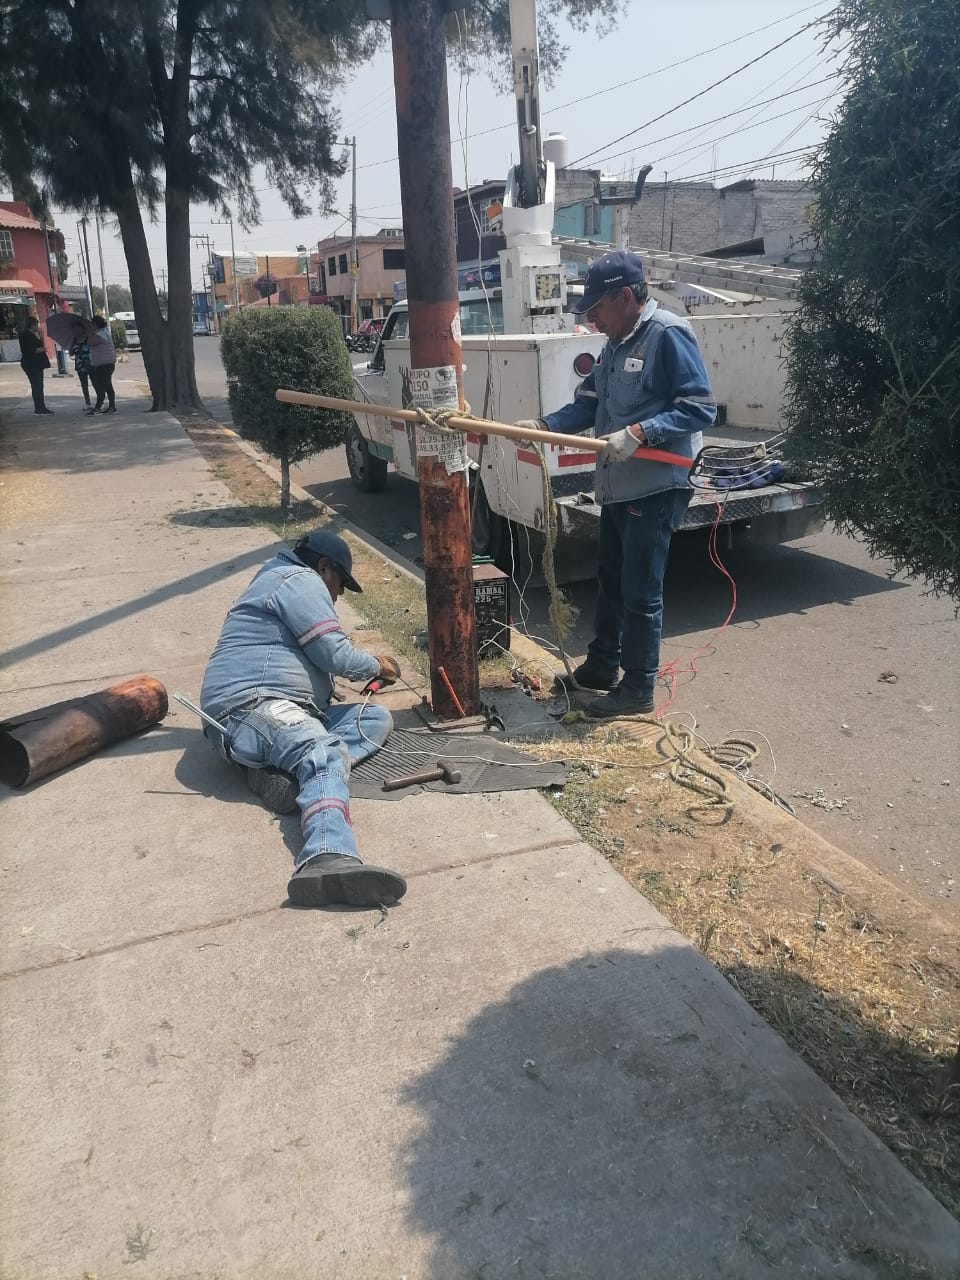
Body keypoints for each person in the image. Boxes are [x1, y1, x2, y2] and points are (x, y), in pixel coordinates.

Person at [521, 250, 716, 718]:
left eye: (597, 308)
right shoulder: (614, 344)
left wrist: (641, 432)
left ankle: (638, 687)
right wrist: (542, 426)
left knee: (639, 589)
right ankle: (604, 665)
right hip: (617, 486)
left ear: (625, 297)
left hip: (655, 487)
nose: (591, 319)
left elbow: (699, 407)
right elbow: (586, 404)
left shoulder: (667, 336)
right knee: (609, 579)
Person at [199, 528, 407, 910]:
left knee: (372, 718)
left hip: (279, 708)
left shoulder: (280, 577)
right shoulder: (299, 580)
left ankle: (280, 773)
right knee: (322, 750)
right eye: (340, 584)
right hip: (251, 706)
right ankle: (326, 856)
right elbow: (334, 655)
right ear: (324, 567)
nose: (339, 594)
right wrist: (377, 664)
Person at [18, 315, 53, 415]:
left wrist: (41, 338)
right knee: (37, 386)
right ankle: (39, 408)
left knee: (38, 386)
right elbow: (32, 350)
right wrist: (44, 348)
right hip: (31, 363)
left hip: (36, 363)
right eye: (36, 325)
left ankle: (41, 407)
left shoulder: (33, 334)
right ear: (32, 325)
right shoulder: (26, 335)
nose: (37, 327)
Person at [87, 315, 116, 414]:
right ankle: (110, 406)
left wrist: (89, 334)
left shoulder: (101, 333)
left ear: (95, 324)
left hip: (105, 363)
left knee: (103, 385)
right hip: (104, 362)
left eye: (92, 324)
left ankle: (100, 407)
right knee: (106, 384)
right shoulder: (102, 332)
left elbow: (90, 342)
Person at [69, 321, 93, 408]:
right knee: (84, 385)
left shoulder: (88, 338)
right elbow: (71, 353)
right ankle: (88, 404)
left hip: (90, 363)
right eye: (74, 329)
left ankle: (100, 401)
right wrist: (71, 348)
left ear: (82, 329)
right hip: (80, 365)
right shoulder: (74, 340)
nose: (76, 331)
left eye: (78, 328)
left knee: (95, 383)